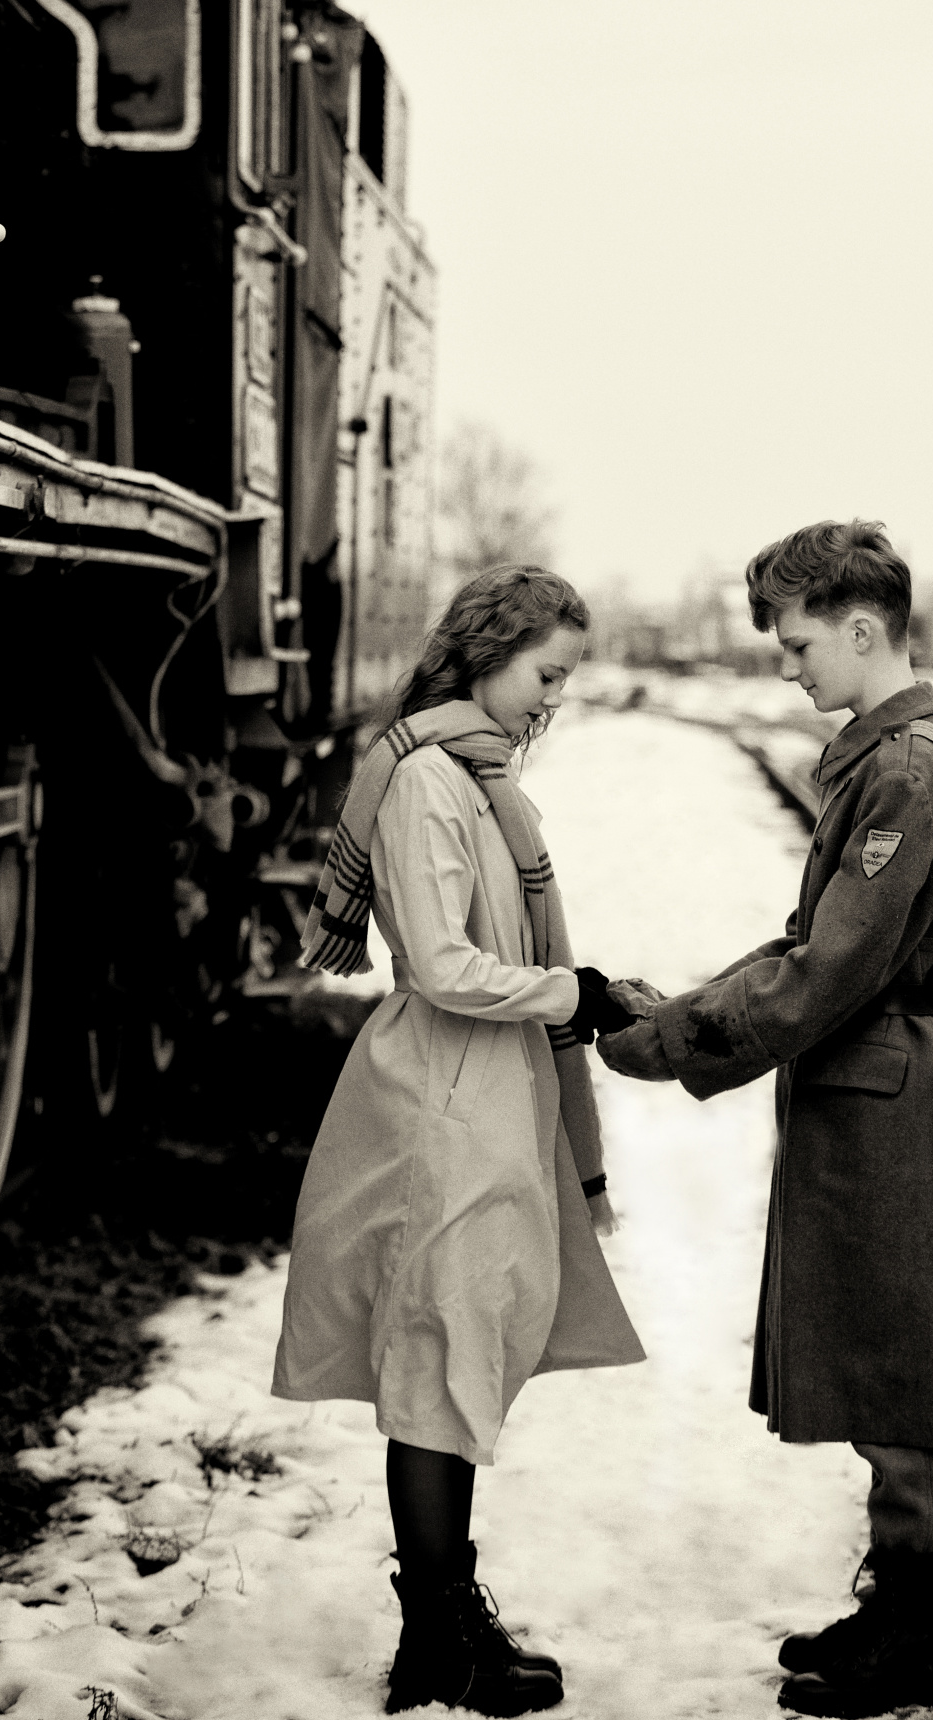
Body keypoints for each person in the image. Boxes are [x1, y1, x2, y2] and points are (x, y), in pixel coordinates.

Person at [597, 519, 933, 1720]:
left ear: (859, 627)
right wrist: (684, 1008)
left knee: (899, 1361)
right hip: (880, 1083)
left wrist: (670, 1041)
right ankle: (902, 1602)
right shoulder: (895, 755)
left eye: (796, 643)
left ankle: (916, 1630)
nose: (785, 664)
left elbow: (825, 972)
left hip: (885, 1091)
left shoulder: (904, 771)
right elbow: (816, 947)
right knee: (888, 1350)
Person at [272, 564, 645, 1718]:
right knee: (440, 1362)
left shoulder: (479, 780)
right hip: (444, 1096)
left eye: (566, 680)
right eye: (547, 674)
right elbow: (440, 963)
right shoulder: (431, 780)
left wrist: (576, 993)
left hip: (483, 1088)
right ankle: (437, 1639)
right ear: (486, 652)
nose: (553, 700)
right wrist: (573, 989)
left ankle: (443, 1625)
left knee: (459, 1352)